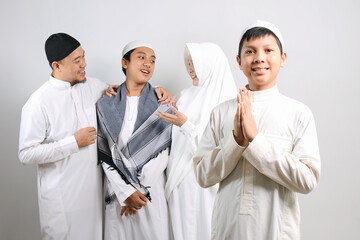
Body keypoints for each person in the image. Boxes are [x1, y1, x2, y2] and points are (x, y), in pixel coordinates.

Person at [18, 33, 173, 239]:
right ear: (57, 66)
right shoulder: (39, 103)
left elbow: (129, 91)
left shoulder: (94, 86)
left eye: (84, 56)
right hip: (62, 199)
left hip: (96, 199)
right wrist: (73, 142)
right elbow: (26, 154)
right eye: (77, 60)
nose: (84, 64)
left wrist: (159, 91)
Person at [193, 20, 321, 240]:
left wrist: (255, 140)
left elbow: (307, 180)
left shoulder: (298, 113)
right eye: (250, 51)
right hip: (228, 230)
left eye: (268, 50)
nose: (259, 58)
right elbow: (203, 176)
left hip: (278, 232)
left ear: (283, 59)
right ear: (239, 62)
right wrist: (236, 141)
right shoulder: (221, 113)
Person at [157, 42, 237, 240]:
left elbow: (224, 148)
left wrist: (186, 124)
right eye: (189, 63)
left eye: (196, 63)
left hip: (208, 183)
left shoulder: (229, 102)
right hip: (179, 180)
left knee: (208, 230)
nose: (191, 70)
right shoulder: (183, 97)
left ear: (210, 65)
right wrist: (157, 90)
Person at [97, 40, 172, 240]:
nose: (148, 63)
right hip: (117, 194)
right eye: (141, 57)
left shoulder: (162, 103)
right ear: (125, 62)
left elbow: (163, 152)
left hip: (149, 192)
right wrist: (125, 193)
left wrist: (137, 192)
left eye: (153, 60)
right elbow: (105, 154)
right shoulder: (105, 104)